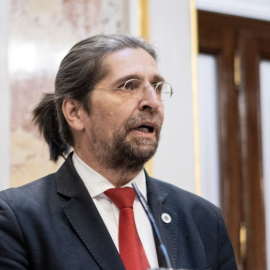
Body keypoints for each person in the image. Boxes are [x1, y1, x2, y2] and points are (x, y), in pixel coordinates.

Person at [0, 35, 237, 270]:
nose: (152, 102)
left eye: (157, 87)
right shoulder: (17, 218)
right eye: (128, 85)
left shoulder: (203, 219)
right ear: (75, 112)